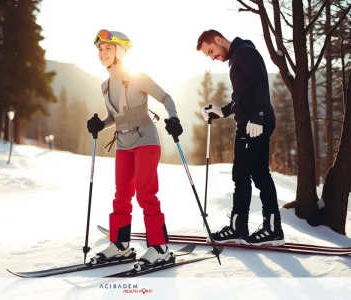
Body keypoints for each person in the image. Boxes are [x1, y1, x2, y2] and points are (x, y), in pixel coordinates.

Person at [86, 29, 183, 270]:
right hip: (123, 143)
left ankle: (160, 248)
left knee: (146, 194)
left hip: (146, 140)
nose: (102, 52)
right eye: (100, 49)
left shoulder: (137, 77)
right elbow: (115, 116)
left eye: (108, 48)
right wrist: (102, 124)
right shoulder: (105, 85)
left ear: (120, 50)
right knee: (121, 195)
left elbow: (166, 97)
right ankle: (120, 245)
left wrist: (173, 117)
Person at [195, 29, 285, 246]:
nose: (213, 57)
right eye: (209, 55)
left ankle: (262, 229)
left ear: (218, 40)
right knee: (250, 174)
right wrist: (222, 111)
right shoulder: (238, 56)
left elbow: (262, 83)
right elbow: (243, 97)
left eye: (211, 51)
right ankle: (251, 227)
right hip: (251, 123)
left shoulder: (244, 53)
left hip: (253, 125)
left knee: (249, 176)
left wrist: (258, 117)